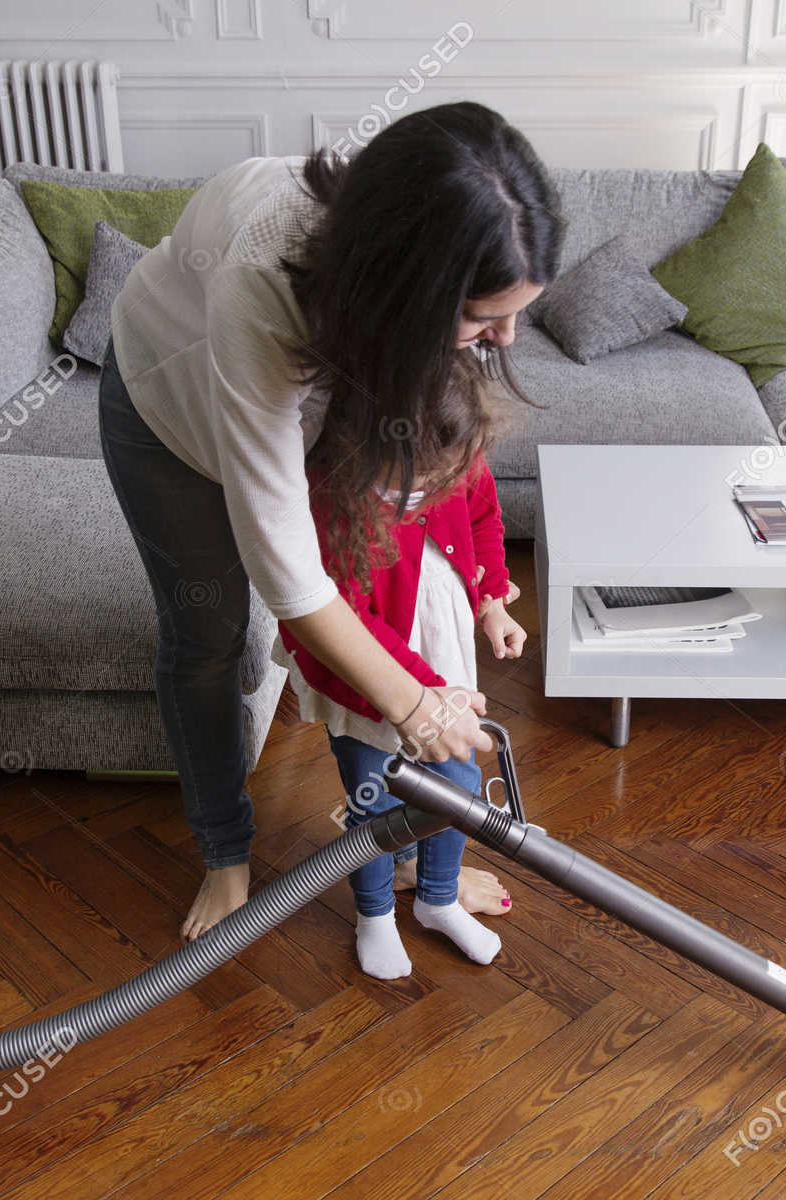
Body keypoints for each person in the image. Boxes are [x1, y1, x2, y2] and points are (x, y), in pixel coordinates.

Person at [98, 102, 563, 939]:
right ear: (411, 289)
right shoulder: (264, 284)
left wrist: (438, 803)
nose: (508, 336)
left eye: (515, 310)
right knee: (205, 637)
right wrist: (420, 712)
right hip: (167, 408)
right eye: (485, 317)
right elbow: (288, 576)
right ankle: (225, 852)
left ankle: (422, 859)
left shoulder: (409, 245)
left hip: (297, 404)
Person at [273, 428, 528, 978]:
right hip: (362, 674)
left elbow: (483, 520)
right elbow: (339, 620)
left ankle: (438, 899)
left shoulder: (457, 452)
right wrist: (418, 697)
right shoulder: (334, 494)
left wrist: (493, 604)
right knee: (375, 803)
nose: (448, 485)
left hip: (444, 656)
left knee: (458, 790)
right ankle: (375, 916)